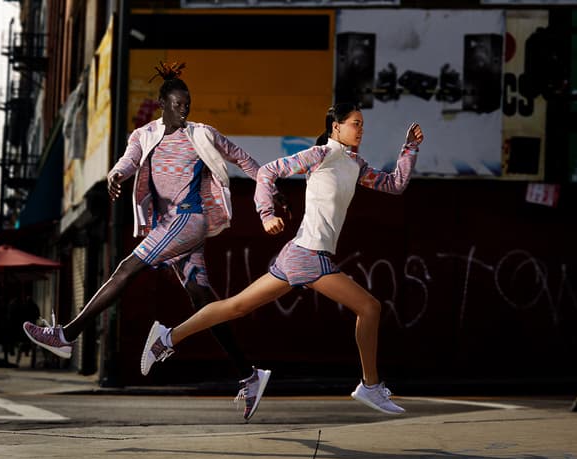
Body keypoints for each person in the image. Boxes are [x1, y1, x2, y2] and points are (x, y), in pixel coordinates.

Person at [23, 61, 287, 414]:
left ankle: (67, 335)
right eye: (177, 104)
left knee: (125, 269)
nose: (183, 110)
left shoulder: (202, 134)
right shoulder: (143, 135)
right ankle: (248, 373)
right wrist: (115, 176)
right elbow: (128, 161)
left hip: (189, 220)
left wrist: (271, 189)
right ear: (162, 103)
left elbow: (245, 160)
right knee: (203, 302)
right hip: (169, 223)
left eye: (187, 104)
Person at [142, 102, 424, 417]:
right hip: (309, 254)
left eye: (362, 124)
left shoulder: (355, 165)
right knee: (370, 307)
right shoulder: (320, 156)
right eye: (355, 123)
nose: (361, 129)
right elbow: (267, 172)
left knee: (237, 306)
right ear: (336, 128)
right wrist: (266, 215)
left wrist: (409, 149)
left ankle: (167, 336)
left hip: (300, 253)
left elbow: (395, 185)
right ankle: (370, 386)